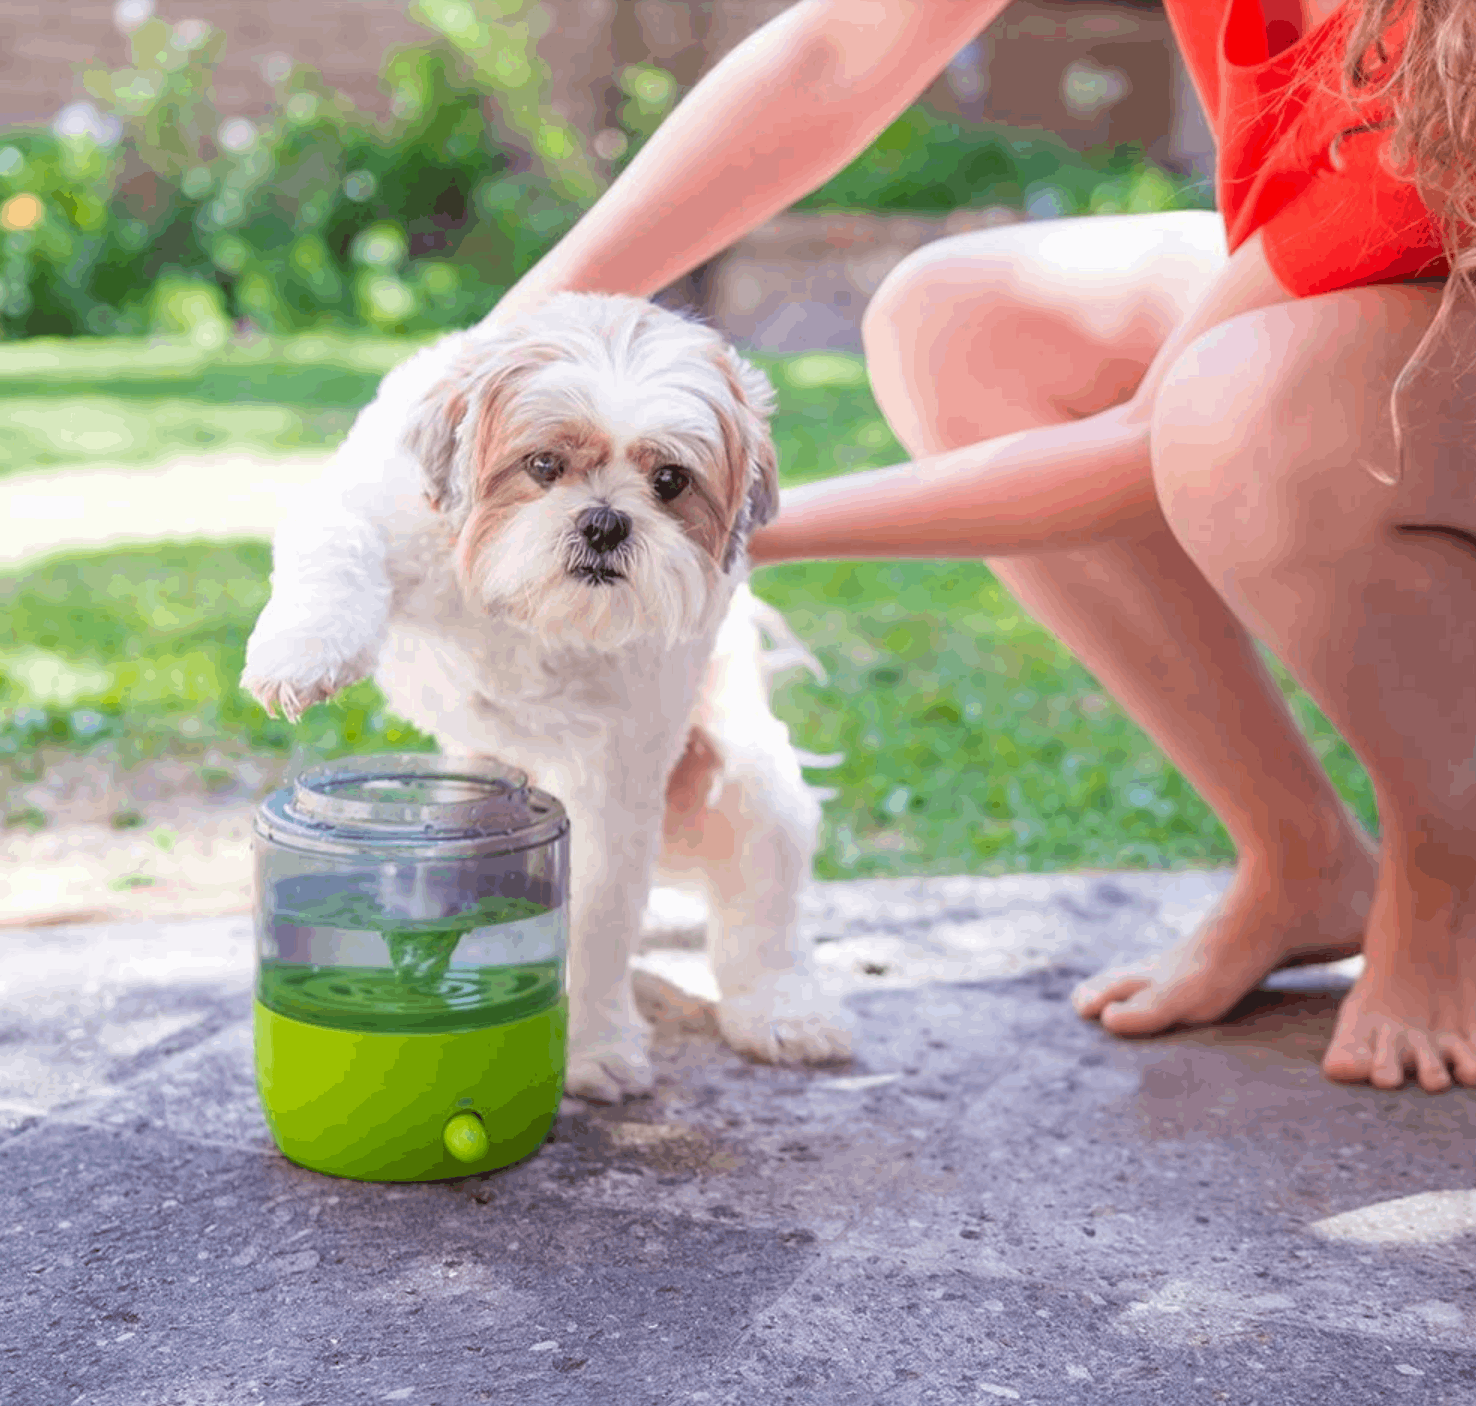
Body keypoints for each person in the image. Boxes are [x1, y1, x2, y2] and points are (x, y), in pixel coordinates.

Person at [490, 0, 1476, 1092]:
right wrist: (493, 348)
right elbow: (841, 46)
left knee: (1245, 417)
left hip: (1442, 252)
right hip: (1409, 278)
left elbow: (1149, 440)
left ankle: (1449, 870)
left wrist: (716, 525)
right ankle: (1304, 860)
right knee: (953, 325)